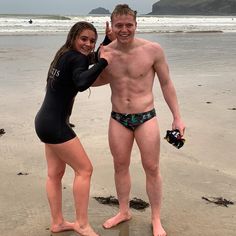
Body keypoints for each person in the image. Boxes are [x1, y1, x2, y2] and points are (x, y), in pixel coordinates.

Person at [93, 4, 185, 236]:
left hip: (146, 117)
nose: (124, 30)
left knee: (152, 167)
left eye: (129, 25)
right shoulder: (106, 53)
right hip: (118, 118)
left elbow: (166, 84)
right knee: (120, 166)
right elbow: (91, 81)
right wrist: (95, 58)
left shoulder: (153, 50)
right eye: (119, 25)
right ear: (111, 26)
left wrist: (177, 117)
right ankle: (124, 211)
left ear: (136, 24)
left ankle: (156, 219)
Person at [34, 21, 112, 236]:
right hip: (56, 125)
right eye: (84, 39)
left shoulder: (64, 54)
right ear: (73, 37)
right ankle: (82, 224)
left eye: (92, 41)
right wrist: (104, 62)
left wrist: (106, 41)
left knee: (55, 174)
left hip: (44, 122)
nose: (88, 44)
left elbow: (88, 59)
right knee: (85, 170)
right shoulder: (76, 57)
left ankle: (58, 223)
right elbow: (81, 81)